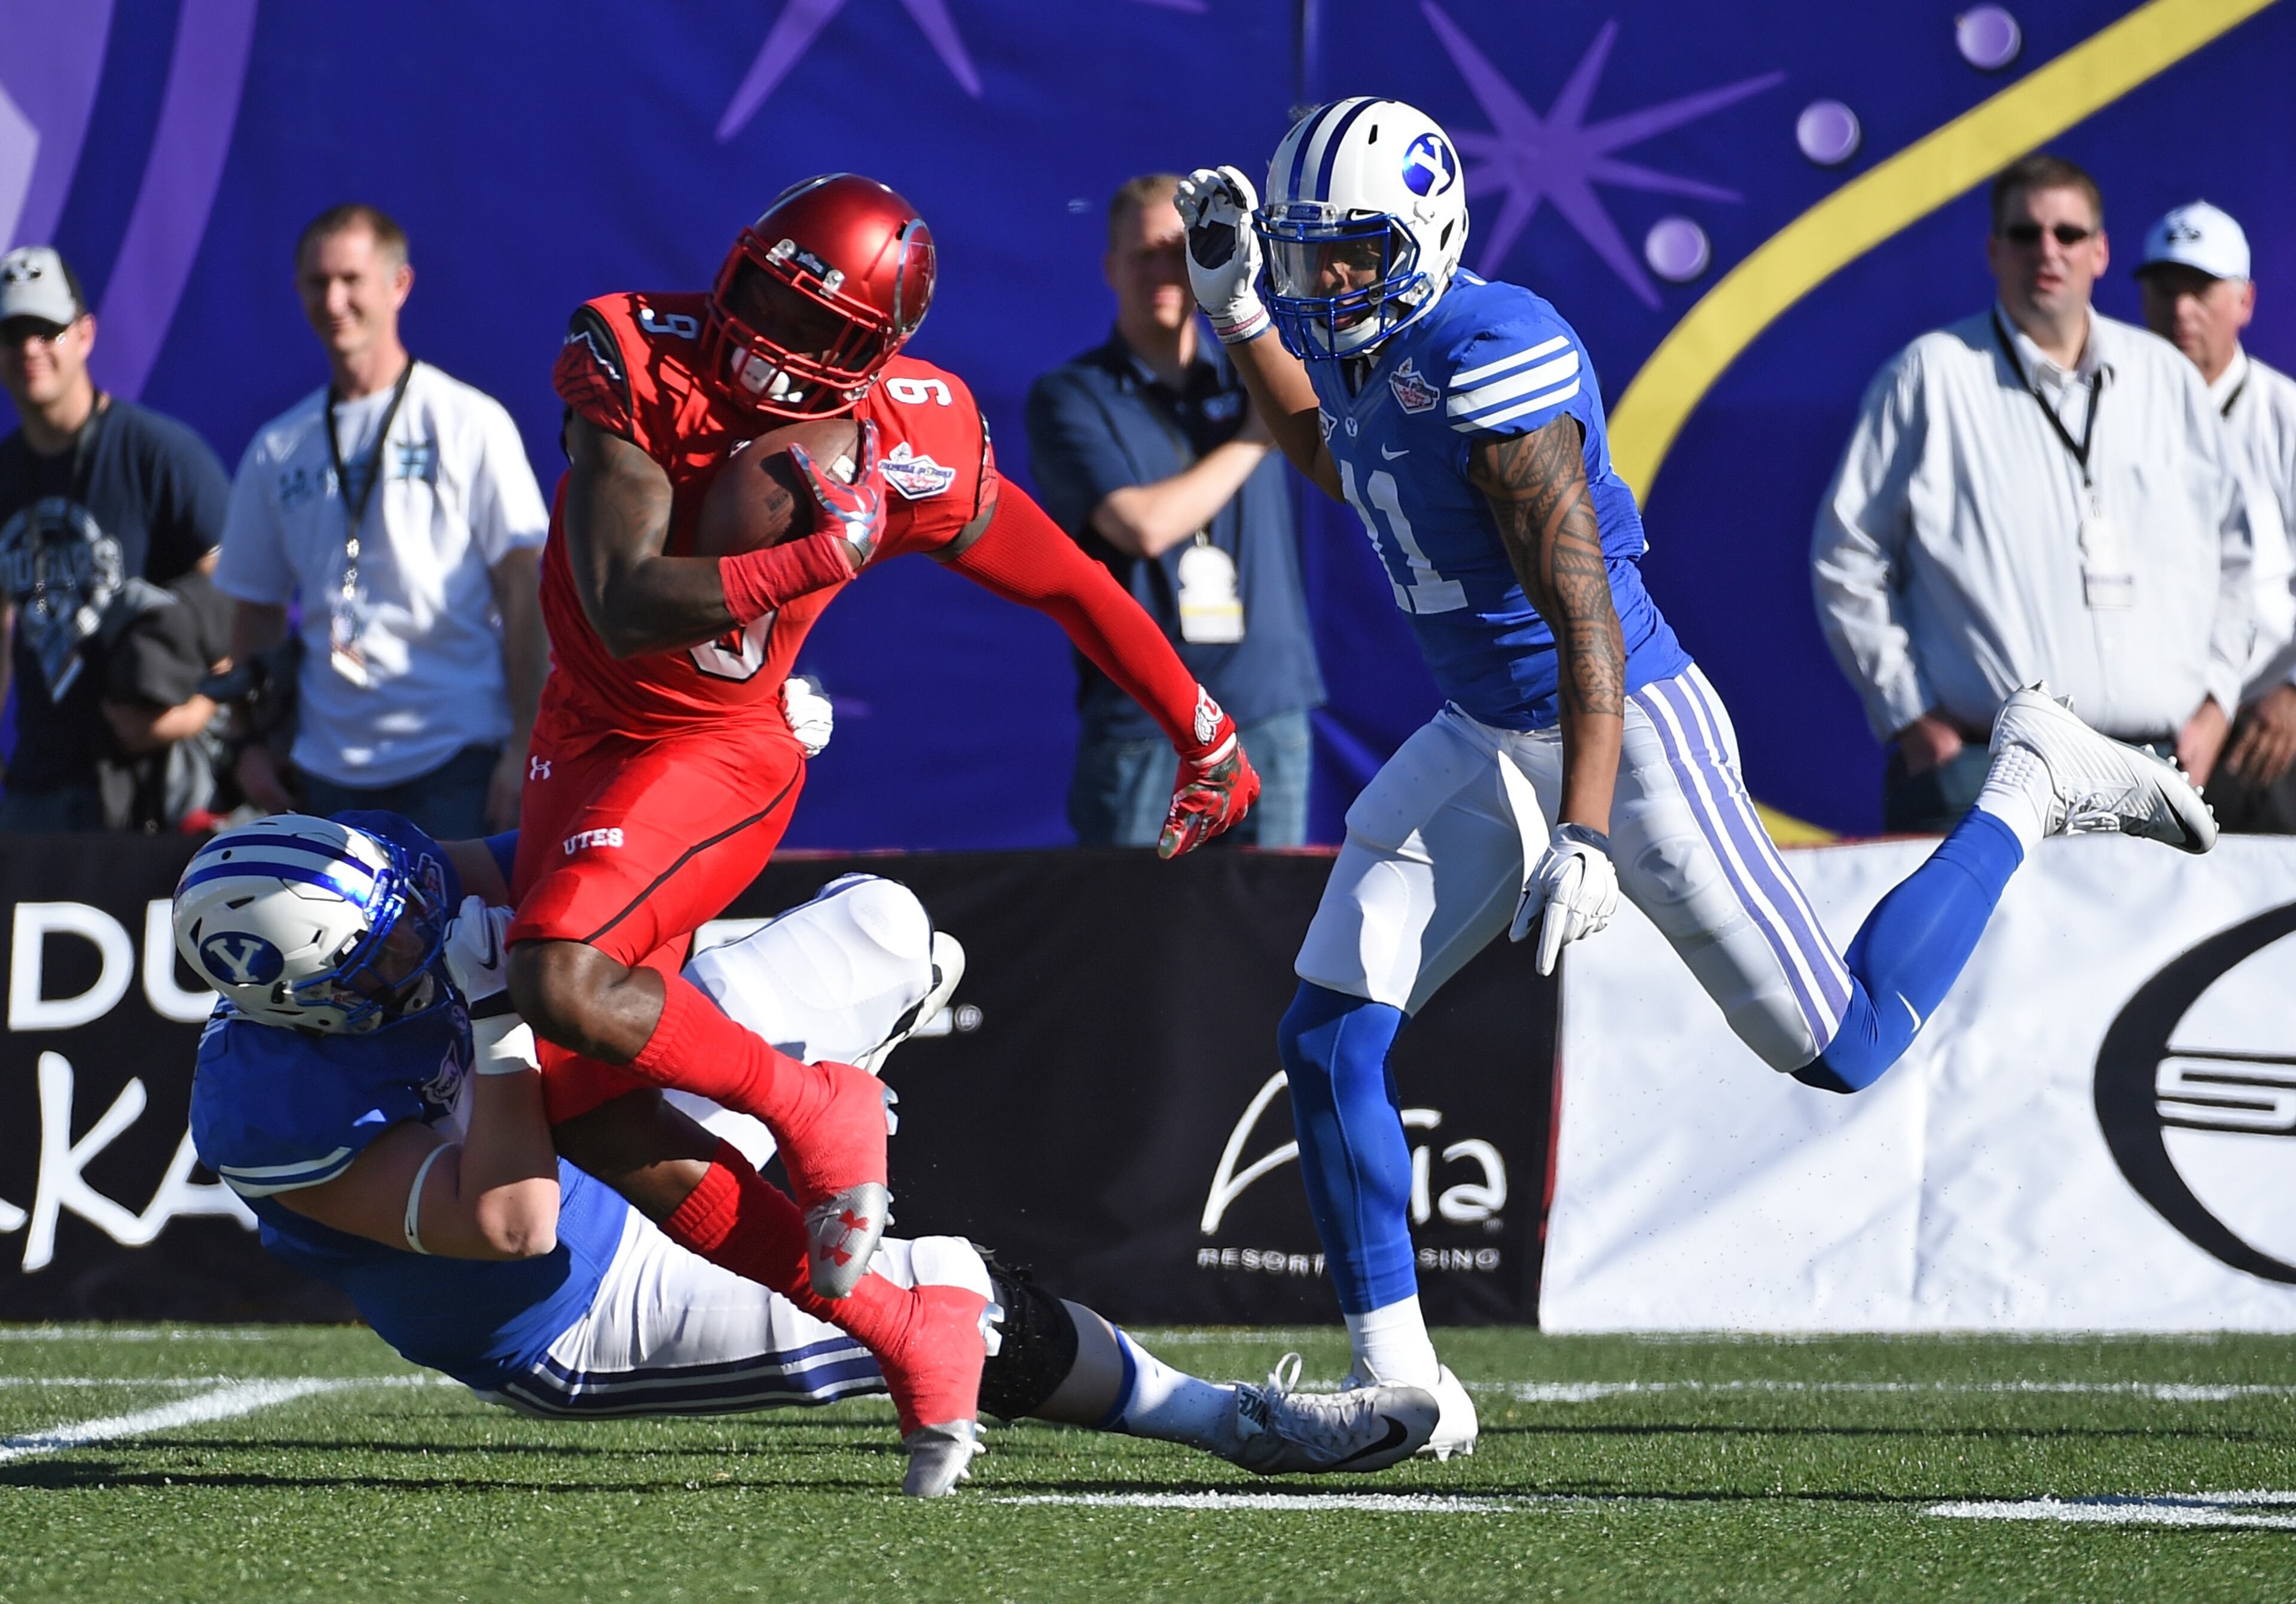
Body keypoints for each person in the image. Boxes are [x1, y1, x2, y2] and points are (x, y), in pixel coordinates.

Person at [1174, 105, 2219, 1460]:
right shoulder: (1359, 346)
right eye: (1308, 256)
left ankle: (2025, 779)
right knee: (1324, 1037)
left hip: (1620, 722)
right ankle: (1404, 1388)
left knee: (1840, 1046)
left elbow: (1585, 618)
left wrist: (1588, 832)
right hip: (1482, 725)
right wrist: (1236, 305)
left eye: (1351, 257)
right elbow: (1336, 456)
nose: (1330, 286)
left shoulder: (1494, 357)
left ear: (1426, 241)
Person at [500, 170, 1263, 1468]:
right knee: (594, 1116)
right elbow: (625, 598)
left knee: (562, 981)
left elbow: (1073, 581)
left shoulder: (903, 438)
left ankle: (815, 1102)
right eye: (756, 300)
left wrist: (1202, 722)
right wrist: (816, 553)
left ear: (867, 360)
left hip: (712, 748)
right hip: (588, 728)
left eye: (806, 331)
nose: (759, 340)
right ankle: (903, 1324)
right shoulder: (632, 348)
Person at [177, 814, 1439, 1495]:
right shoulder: (266, 1115)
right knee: (959, 1292)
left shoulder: (375, 911)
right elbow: (512, 1226)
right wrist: (509, 1025)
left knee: (882, 927)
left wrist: (721, 740)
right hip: (573, 1304)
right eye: (392, 952)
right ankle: (1242, 1427)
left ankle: (827, 1109)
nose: (423, 930)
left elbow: (573, 852)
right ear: (306, 1000)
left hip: (585, 1123)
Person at [1813, 155, 2256, 831]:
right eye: (2026, 234)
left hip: (2157, 771)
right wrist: (1909, 715)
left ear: (2100, 251)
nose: (2047, 251)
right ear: (1995, 251)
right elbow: (1847, 554)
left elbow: (2240, 558)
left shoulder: (2167, 378)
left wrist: (2219, 702)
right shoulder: (1932, 374)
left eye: (2069, 234)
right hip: (1982, 771)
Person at [217, 204, 550, 839]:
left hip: (456, 754)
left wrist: (526, 745)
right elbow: (256, 609)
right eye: (318, 283)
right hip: (323, 766)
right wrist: (248, 743)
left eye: (351, 280)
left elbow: (522, 582)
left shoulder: (465, 420)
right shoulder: (279, 446)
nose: (334, 300)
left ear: (399, 285)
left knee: (454, 937)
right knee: (331, 941)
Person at [1028, 174, 1324, 846]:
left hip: (1268, 707)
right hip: (1147, 718)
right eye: (1144, 254)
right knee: (1135, 940)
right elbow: (1140, 526)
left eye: (1179, 250)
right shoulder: (1072, 396)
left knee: (1269, 933)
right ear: (1111, 268)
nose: (1164, 270)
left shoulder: (1256, 374)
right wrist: (1257, 437)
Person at [0, 245, 231, 830]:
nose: (29, 349)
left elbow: (237, 603)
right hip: (38, 788)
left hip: (149, 790)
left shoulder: (159, 455)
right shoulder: (5, 473)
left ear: (84, 334)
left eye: (46, 330)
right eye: (13, 333)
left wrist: (189, 715)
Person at [2136, 202, 2296, 833]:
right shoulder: (2108, 416)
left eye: (2201, 291)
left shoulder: (2285, 417)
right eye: (2164, 290)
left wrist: (2293, 695)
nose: (2181, 311)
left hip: (2263, 737)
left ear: (2245, 302)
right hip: (2140, 732)